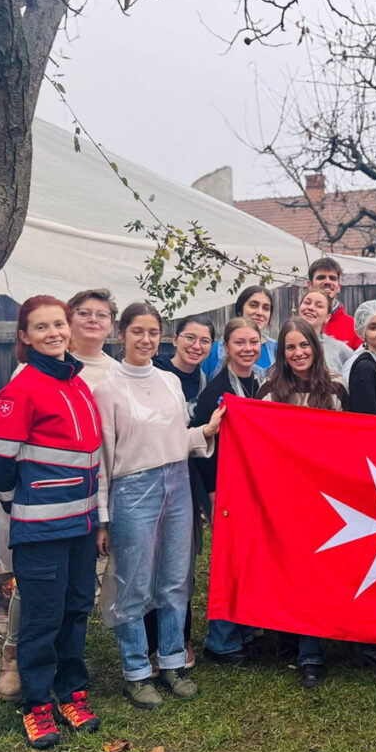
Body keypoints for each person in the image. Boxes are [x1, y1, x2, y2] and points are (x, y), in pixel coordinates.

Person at [0, 296, 102, 749]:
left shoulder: (78, 384)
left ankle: (71, 693)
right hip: (42, 530)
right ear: (25, 337)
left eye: (59, 324)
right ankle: (36, 704)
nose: (53, 333)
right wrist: (18, 503)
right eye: (41, 327)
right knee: (42, 619)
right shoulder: (21, 389)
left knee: (76, 610)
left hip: (81, 527)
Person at [94, 302, 225, 710]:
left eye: (153, 332)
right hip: (132, 489)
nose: (146, 339)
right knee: (133, 583)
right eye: (138, 331)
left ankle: (171, 662)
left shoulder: (169, 382)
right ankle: (136, 671)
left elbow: (175, 438)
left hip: (176, 484)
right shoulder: (107, 389)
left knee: (174, 579)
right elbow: (102, 457)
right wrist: (103, 517)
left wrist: (205, 431)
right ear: (122, 335)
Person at [255, 317, 350, 687]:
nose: (298, 353)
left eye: (304, 345)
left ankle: (313, 647)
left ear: (316, 346)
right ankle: (293, 637)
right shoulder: (269, 391)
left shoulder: (336, 388)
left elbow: (353, 439)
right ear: (282, 352)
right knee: (289, 564)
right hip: (285, 493)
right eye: (290, 347)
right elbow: (258, 442)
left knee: (318, 567)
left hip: (327, 494)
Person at [193, 317, 266, 667]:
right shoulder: (217, 390)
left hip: (255, 485)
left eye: (253, 342)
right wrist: (211, 492)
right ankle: (220, 640)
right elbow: (205, 446)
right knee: (229, 560)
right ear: (225, 347)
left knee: (251, 557)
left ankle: (246, 627)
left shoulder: (261, 382)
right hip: (225, 486)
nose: (247, 349)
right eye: (240, 342)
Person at [147, 314, 216, 672]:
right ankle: (150, 642)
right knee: (151, 559)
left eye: (204, 341)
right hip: (152, 475)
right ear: (174, 339)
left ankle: (180, 637)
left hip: (187, 478)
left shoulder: (206, 381)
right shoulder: (155, 373)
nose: (196, 346)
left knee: (181, 559)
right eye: (190, 338)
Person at [202, 286, 277, 375]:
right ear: (240, 310)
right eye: (253, 305)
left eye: (266, 308)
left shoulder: (277, 349)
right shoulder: (213, 351)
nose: (260, 312)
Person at [306, 257, 362, 349]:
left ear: (338, 287)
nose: (328, 282)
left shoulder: (353, 327)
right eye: (321, 277)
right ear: (309, 285)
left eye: (332, 278)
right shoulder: (299, 325)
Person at [297, 289, 355, 374]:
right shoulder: (283, 344)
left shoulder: (340, 350)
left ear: (327, 317)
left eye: (319, 306)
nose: (311, 308)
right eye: (307, 303)